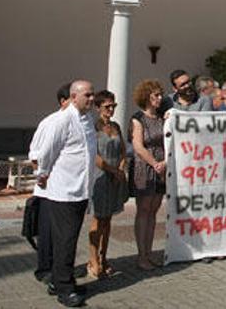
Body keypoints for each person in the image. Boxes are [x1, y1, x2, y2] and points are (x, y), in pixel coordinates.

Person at [33, 80, 97, 307]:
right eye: (87, 95)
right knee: (65, 241)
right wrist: (42, 173)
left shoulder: (88, 118)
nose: (91, 99)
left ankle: (64, 280)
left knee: (69, 239)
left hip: (81, 190)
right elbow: (48, 151)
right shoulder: (62, 120)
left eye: (92, 95)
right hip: (64, 192)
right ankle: (63, 288)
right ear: (73, 96)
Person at [28, 82, 71, 286]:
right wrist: (43, 177)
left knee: (62, 235)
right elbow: (35, 155)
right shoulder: (51, 123)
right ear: (63, 101)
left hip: (66, 191)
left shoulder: (79, 122)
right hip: (48, 190)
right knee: (47, 232)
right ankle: (45, 269)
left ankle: (60, 270)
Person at [87, 90, 127, 279]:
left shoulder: (116, 126)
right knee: (98, 218)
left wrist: (121, 166)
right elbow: (94, 156)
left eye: (113, 106)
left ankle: (104, 256)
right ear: (98, 107)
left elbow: (122, 150)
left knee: (108, 219)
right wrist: (113, 170)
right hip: (100, 177)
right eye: (107, 106)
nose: (111, 109)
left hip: (115, 177)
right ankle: (93, 259)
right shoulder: (93, 127)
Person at [130, 79, 167, 270]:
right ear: (147, 97)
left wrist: (164, 163)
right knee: (143, 209)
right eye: (155, 95)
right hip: (144, 168)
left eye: (160, 95)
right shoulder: (138, 118)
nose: (159, 98)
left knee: (154, 209)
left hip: (162, 167)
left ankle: (149, 252)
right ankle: (141, 255)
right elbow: (137, 145)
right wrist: (153, 163)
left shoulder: (162, 118)